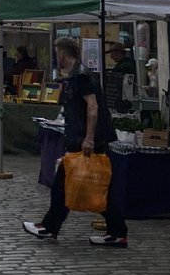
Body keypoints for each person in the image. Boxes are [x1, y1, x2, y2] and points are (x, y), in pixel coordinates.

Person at [22, 37, 129, 248]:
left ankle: (50, 227)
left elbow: (93, 107)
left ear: (62, 53)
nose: (55, 58)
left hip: (87, 141)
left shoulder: (81, 76)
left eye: (56, 53)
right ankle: (115, 232)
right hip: (80, 139)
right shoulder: (74, 76)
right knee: (82, 185)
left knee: (73, 185)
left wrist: (88, 138)